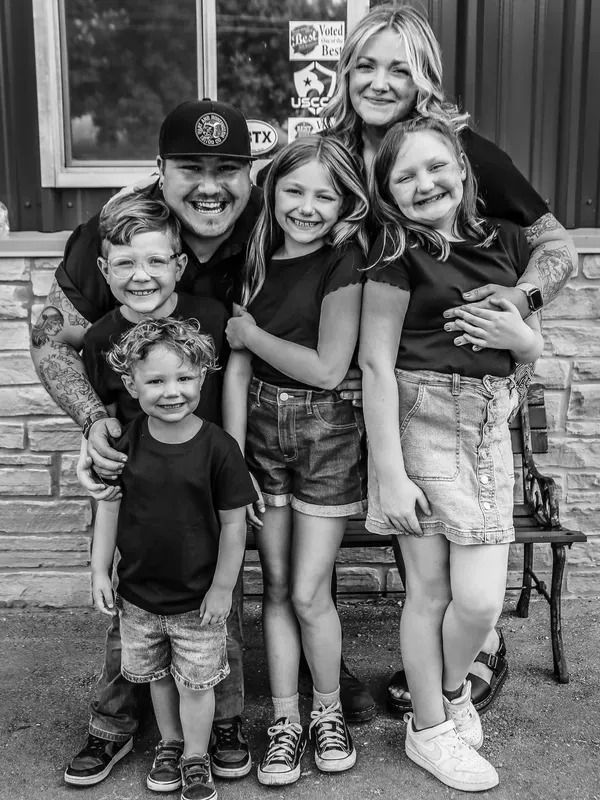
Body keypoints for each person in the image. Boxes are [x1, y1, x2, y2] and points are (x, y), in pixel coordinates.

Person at [29, 99, 374, 788]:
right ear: (160, 170)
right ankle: (117, 719)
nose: (210, 186)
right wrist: (94, 422)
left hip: (242, 446)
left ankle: (265, 706)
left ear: (252, 175)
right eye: (191, 168)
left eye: (227, 169)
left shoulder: (273, 221)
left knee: (236, 584)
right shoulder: (119, 227)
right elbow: (50, 335)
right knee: (139, 578)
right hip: (145, 447)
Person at [320, 2, 576, 714]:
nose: (380, 81)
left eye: (399, 68)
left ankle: (472, 653)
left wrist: (518, 305)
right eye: (366, 65)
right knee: (423, 553)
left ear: (424, 76)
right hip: (354, 376)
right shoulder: (332, 157)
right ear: (345, 72)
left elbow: (554, 245)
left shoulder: (463, 151)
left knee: (459, 547)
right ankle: (373, 683)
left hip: (450, 385)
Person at [360, 115, 543, 791]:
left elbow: (529, 350)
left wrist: (523, 340)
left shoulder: (505, 244)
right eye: (404, 176)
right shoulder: (395, 256)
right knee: (431, 593)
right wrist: (390, 473)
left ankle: (448, 690)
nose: (424, 183)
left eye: (437, 166)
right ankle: (431, 730)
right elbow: (376, 367)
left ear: (462, 170)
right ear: (388, 194)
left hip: (489, 427)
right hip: (423, 426)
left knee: (481, 603)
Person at [223, 136, 369, 785]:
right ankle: (285, 722)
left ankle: (326, 713)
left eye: (324, 195)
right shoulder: (254, 260)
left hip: (325, 431)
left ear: (344, 204)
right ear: (272, 190)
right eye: (294, 190)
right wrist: (234, 456)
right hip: (259, 430)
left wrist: (252, 334)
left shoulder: (343, 261)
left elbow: (330, 368)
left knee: (310, 592)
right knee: (276, 588)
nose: (307, 207)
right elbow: (236, 368)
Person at [91, 317, 256, 800]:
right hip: (139, 598)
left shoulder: (219, 448)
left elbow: (234, 526)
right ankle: (170, 744)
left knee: (196, 684)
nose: (172, 392)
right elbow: (110, 506)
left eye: (184, 377)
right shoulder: (127, 442)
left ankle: (196, 758)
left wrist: (223, 589)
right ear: (131, 385)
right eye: (156, 381)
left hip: (198, 602)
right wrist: (99, 568)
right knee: (158, 678)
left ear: (202, 377)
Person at [83, 192, 228, 437]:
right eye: (125, 263)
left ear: (179, 266)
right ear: (105, 270)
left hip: (210, 456)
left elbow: (231, 392)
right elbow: (108, 417)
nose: (141, 276)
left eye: (156, 261)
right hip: (138, 458)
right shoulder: (99, 339)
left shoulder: (212, 318)